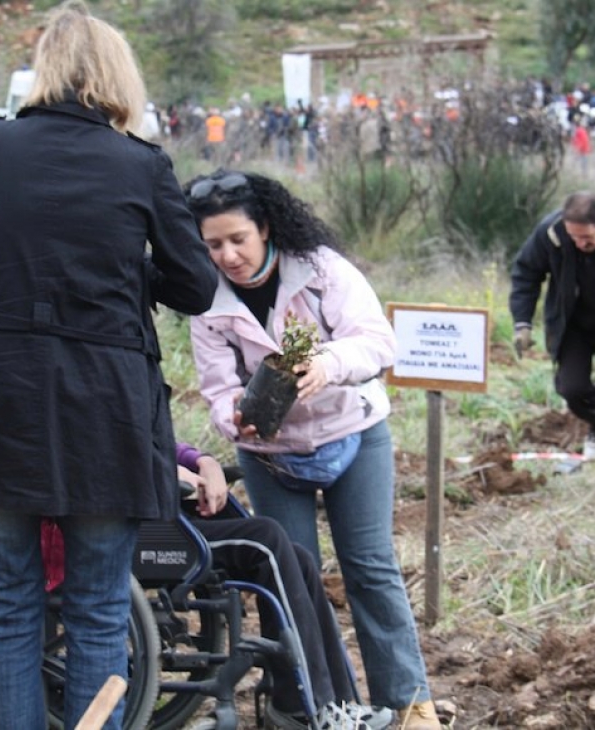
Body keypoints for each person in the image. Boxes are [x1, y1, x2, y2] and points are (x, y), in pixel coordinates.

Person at [0, 2, 217, 728]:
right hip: (105, 415)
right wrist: (120, 272)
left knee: (6, 610)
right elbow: (196, 286)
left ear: (43, 71)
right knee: (96, 612)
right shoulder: (141, 163)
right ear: (120, 76)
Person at [185, 169, 442, 730]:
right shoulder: (205, 296)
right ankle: (311, 704)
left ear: (266, 228)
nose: (227, 255)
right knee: (290, 576)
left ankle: (408, 703)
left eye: (238, 240)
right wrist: (233, 418)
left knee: (370, 568)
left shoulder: (322, 269)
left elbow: (377, 341)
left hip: (354, 432)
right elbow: (217, 386)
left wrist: (327, 364)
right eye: (213, 244)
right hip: (272, 455)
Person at [176, 443, 394, 730]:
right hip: (148, 532)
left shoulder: (144, 399)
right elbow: (116, 455)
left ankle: (339, 704)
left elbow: (159, 442)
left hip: (173, 512)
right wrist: (166, 472)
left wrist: (204, 461)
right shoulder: (108, 401)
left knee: (299, 558)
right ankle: (306, 708)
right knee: (266, 538)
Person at [510, 191, 595, 459]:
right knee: (572, 388)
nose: (580, 243)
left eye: (587, 238)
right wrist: (522, 322)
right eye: (575, 237)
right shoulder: (551, 233)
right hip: (573, 324)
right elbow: (526, 273)